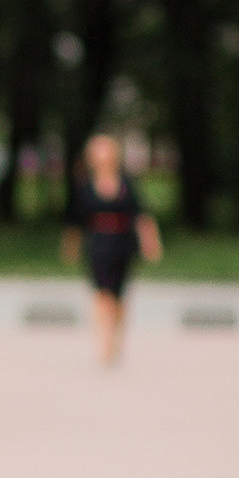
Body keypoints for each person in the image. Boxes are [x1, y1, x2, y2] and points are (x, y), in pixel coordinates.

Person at [64, 131, 161, 365]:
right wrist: (71, 247)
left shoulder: (127, 183)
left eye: (106, 150)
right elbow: (76, 220)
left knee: (118, 296)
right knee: (101, 294)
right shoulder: (85, 186)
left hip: (123, 243)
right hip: (97, 243)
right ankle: (104, 341)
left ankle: (116, 336)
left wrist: (151, 242)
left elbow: (140, 215)